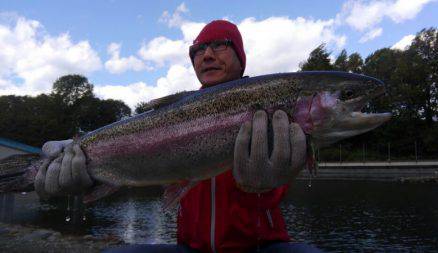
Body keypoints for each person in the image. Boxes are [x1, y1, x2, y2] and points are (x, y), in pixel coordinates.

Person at [35, 20, 323, 253]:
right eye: (197, 50)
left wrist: (263, 187)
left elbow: (278, 188)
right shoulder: (174, 112)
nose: (206, 55)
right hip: (190, 248)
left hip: (263, 246)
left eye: (219, 45)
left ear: (241, 58)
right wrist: (86, 172)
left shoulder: (270, 103)